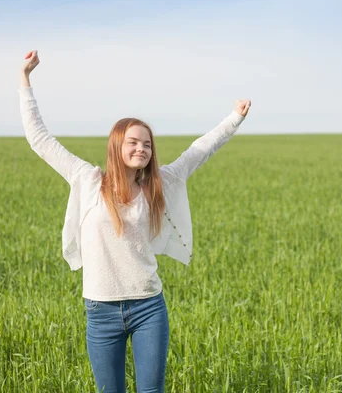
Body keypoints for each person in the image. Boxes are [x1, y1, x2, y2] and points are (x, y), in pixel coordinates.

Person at [18, 50, 251, 393]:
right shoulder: (87, 179)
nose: (141, 148)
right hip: (100, 310)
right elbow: (40, 140)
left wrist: (234, 118)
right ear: (117, 144)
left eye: (147, 144)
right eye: (133, 142)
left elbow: (199, 152)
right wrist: (24, 80)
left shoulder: (159, 184)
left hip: (148, 308)